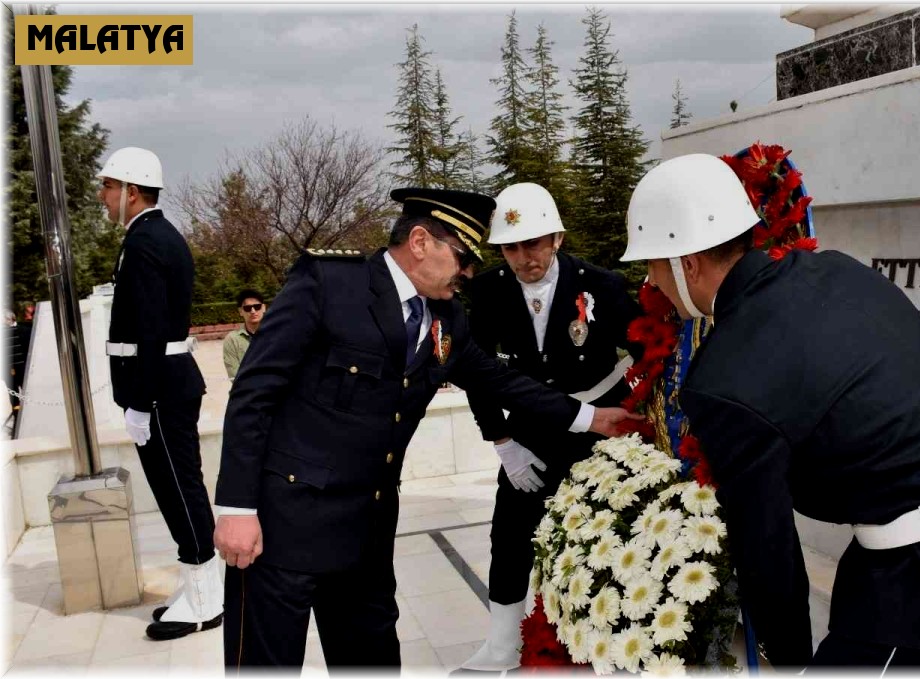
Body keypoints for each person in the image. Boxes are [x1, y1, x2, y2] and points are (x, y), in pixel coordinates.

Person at [620, 154, 920, 671]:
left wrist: (792, 664)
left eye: (650, 264)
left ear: (685, 263)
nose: (650, 282)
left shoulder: (723, 379)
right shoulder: (838, 270)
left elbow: (770, 554)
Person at [213, 187, 640, 669]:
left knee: (372, 659)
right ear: (420, 242)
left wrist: (591, 418)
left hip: (367, 529)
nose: (469, 272)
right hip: (284, 523)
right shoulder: (330, 284)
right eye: (463, 257)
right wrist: (236, 507)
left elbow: (498, 380)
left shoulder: (446, 315)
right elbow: (254, 392)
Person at [458, 183, 642, 671]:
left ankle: (611, 641)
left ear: (557, 238)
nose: (523, 257)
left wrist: (641, 416)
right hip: (529, 434)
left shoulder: (599, 284)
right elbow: (479, 373)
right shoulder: (489, 290)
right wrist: (502, 443)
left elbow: (645, 348)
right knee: (510, 535)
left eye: (534, 243)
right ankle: (503, 644)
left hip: (599, 429)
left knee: (606, 532)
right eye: (511, 247)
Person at [98, 147, 219, 641]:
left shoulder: (147, 241)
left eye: (108, 187)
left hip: (160, 390)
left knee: (177, 488)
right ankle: (198, 582)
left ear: (131, 190)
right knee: (178, 486)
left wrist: (140, 402)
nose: (103, 198)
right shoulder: (150, 236)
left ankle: (206, 597)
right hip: (165, 385)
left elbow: (150, 328)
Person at [222, 289, 266, 379]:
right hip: (248, 390)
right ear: (240, 311)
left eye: (257, 306)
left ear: (264, 308)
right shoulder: (232, 340)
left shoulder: (277, 334)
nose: (253, 311)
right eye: (247, 308)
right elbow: (234, 376)